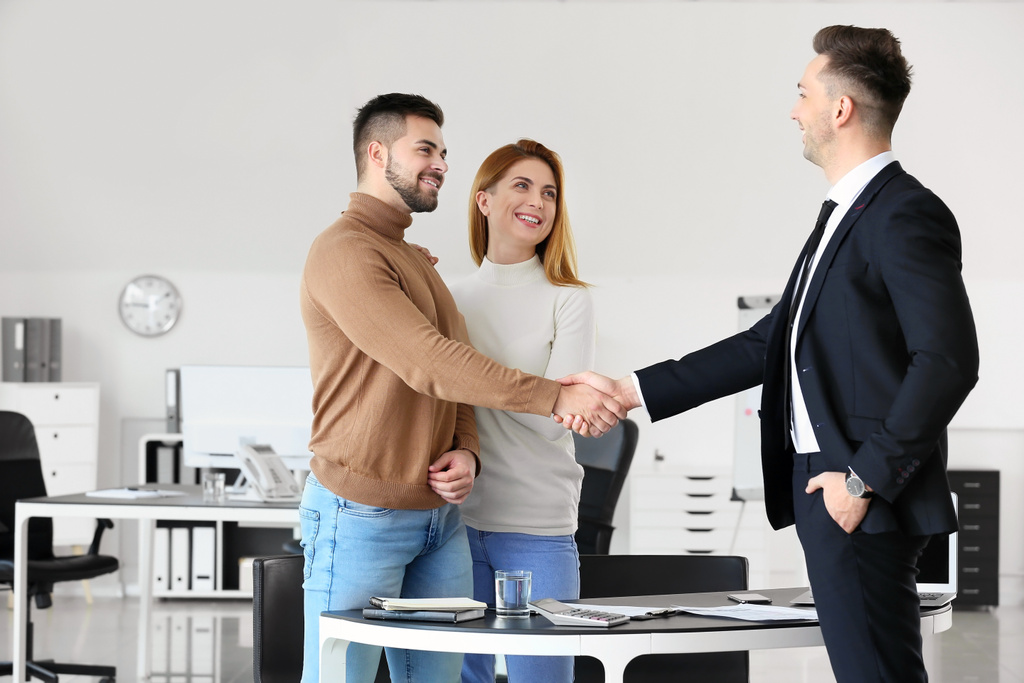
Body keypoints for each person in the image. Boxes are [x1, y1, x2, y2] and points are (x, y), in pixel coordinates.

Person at [559, 26, 978, 683]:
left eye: (803, 93)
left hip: (861, 493)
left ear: (841, 109)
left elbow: (949, 358)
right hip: (829, 488)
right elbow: (768, 343)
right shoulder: (842, 216)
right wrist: (630, 388)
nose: (793, 110)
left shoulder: (902, 213)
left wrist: (864, 479)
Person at [297, 93, 623, 683]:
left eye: (444, 152)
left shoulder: (417, 263)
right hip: (362, 511)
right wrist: (554, 396)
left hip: (441, 517)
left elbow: (449, 391)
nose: (441, 162)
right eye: (425, 149)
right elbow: (431, 363)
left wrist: (467, 448)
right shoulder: (346, 250)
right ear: (377, 152)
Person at [448, 140, 593, 683]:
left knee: (544, 676)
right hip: (454, 522)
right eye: (522, 185)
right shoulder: (448, 296)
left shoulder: (568, 299)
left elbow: (552, 410)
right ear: (483, 200)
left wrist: (462, 371)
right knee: (462, 677)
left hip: (537, 524)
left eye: (550, 192)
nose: (539, 201)